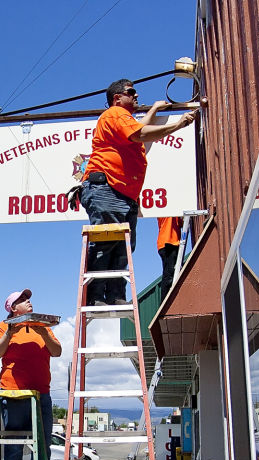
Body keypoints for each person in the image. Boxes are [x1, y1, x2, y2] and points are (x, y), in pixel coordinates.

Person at [80, 79, 198, 305]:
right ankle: (95, 296)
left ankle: (115, 295)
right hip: (108, 188)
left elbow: (138, 128)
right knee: (106, 242)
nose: (136, 96)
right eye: (131, 92)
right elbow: (139, 134)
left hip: (121, 194)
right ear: (117, 98)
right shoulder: (115, 113)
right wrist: (179, 124)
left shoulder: (123, 120)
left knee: (122, 246)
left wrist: (153, 109)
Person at [0, 289, 61, 460]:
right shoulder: (3, 327)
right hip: (13, 394)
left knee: (43, 446)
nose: (28, 302)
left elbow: (57, 351)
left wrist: (45, 332)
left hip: (41, 395)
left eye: (28, 298)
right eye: (22, 300)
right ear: (12, 308)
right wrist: (9, 334)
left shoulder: (43, 327)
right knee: (13, 446)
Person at [157, 216, 184, 299]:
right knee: (169, 275)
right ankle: (165, 304)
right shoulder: (167, 211)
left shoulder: (175, 216)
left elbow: (180, 223)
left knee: (173, 274)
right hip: (167, 243)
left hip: (172, 243)